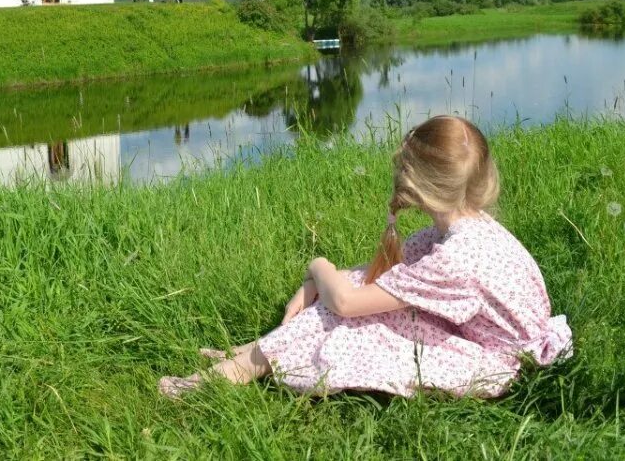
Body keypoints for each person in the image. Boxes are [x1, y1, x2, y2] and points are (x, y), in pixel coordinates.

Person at [158, 115, 572, 399]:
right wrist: (313, 284)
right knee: (354, 293)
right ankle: (254, 352)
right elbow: (373, 276)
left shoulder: (456, 259)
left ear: (415, 183)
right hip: (498, 341)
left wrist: (317, 266)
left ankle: (225, 376)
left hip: (494, 363)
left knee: (343, 319)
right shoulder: (466, 226)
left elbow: (347, 303)